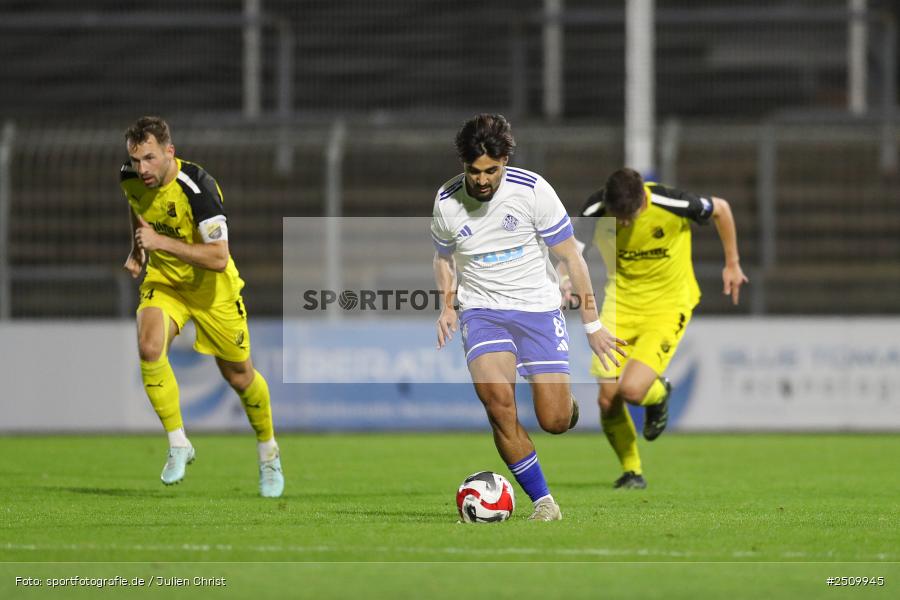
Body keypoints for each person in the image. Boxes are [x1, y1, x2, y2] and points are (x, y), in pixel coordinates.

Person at [432, 114, 626, 521]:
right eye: (474, 171)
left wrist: (591, 324)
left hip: (538, 309)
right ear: (462, 165)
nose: (482, 180)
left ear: (504, 161)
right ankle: (544, 502)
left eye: (491, 170)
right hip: (482, 312)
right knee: (498, 405)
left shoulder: (533, 190)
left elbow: (571, 255)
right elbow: (443, 257)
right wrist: (448, 304)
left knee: (554, 420)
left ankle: (564, 404)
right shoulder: (447, 200)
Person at [120, 116, 284, 497]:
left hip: (213, 292)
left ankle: (268, 452)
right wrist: (138, 248)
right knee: (149, 347)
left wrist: (161, 243)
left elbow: (219, 257)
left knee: (240, 378)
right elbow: (137, 208)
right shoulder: (130, 178)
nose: (142, 168)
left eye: (149, 158)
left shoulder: (199, 190)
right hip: (166, 283)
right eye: (135, 159)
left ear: (169, 152)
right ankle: (178, 443)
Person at [565, 168, 748, 489]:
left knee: (633, 391)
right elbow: (573, 251)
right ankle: (632, 471)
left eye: (628, 217)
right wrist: (565, 279)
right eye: (617, 217)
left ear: (643, 202)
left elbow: (721, 208)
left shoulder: (671, 202)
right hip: (620, 303)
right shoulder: (597, 207)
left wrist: (732, 262)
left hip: (667, 305)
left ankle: (659, 394)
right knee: (608, 399)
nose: (621, 223)